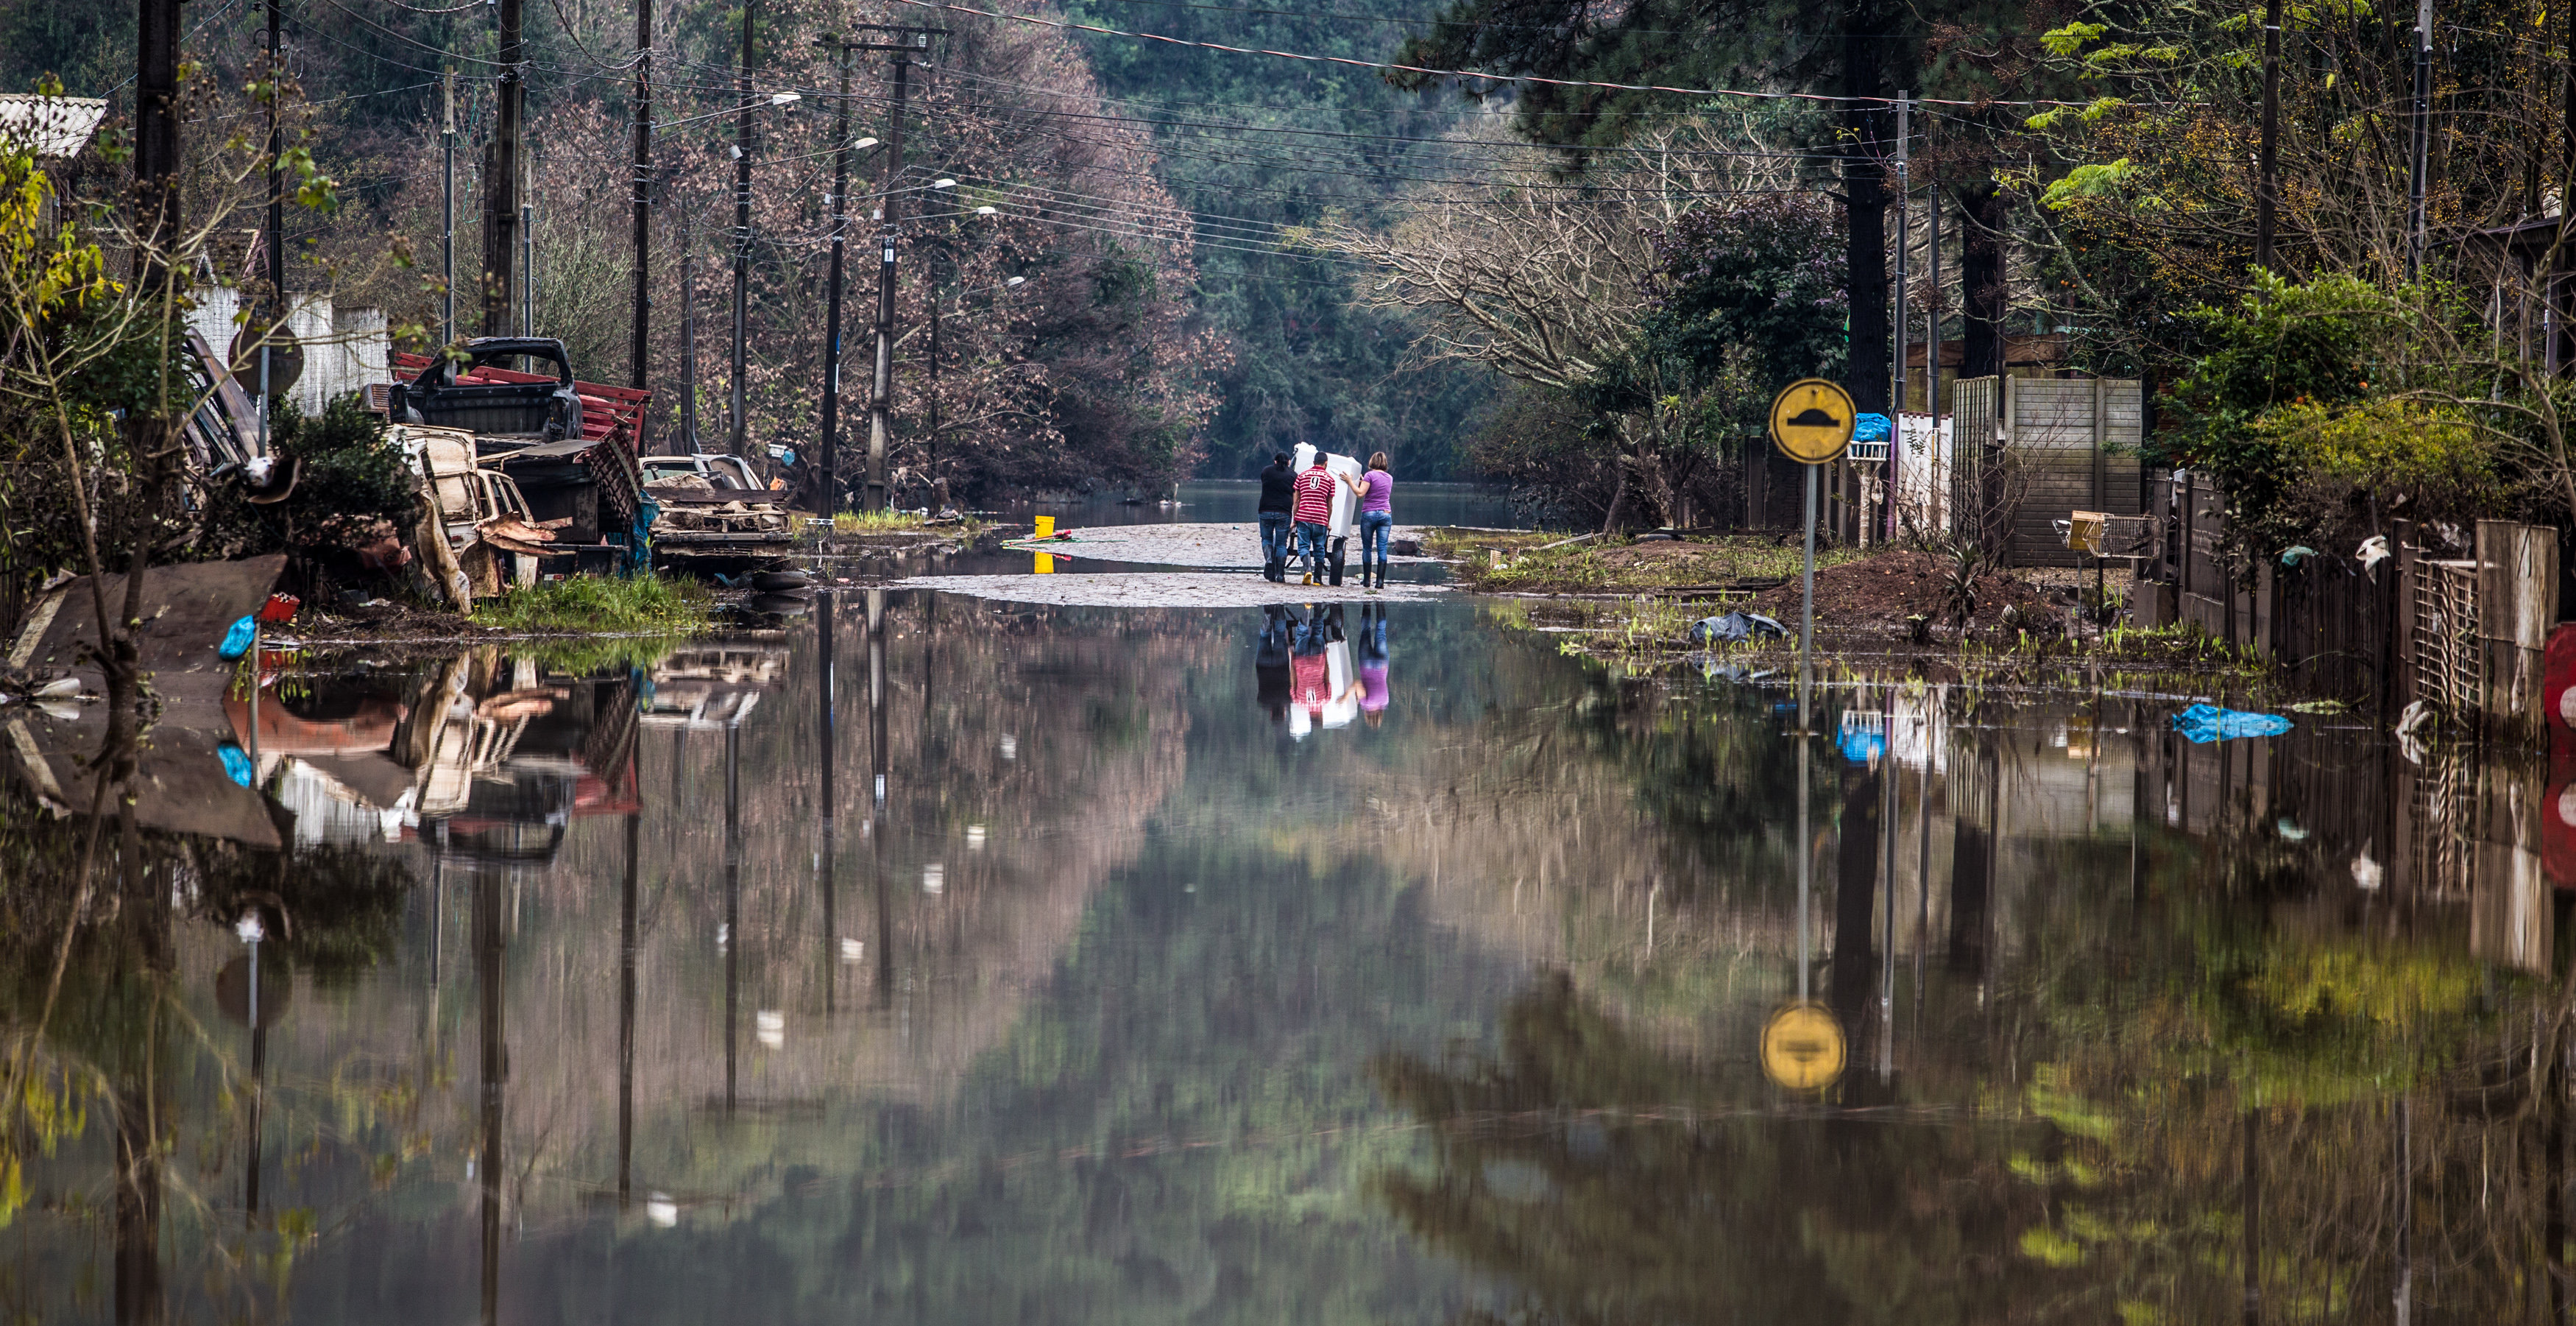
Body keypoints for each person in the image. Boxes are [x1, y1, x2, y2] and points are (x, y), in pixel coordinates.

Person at [1341, 452, 1395, 589]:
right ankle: (1380, 582)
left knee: (1367, 548)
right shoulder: (1389, 477)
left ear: (1372, 462)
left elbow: (1360, 494)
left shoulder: (1370, 475)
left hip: (1370, 514)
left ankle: (1366, 581)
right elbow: (1378, 489)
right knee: (1382, 548)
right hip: (1385, 514)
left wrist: (1349, 482)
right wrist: (1364, 481)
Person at [1289, 451, 1337, 585]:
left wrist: (1295, 519)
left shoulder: (1302, 476)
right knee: (1319, 548)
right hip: (1320, 517)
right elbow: (1330, 504)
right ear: (1326, 463)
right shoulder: (1330, 479)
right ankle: (1317, 579)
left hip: (1303, 516)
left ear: (1313, 462)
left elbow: (1296, 501)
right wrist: (1327, 522)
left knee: (1303, 546)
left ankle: (1307, 571)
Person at [1256, 451, 1295, 583]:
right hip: (1284, 512)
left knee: (1266, 538)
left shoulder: (1266, 471)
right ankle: (1280, 575)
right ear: (1289, 462)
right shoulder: (1293, 475)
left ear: (1275, 461)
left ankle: (1269, 560)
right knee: (1281, 544)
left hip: (1265, 509)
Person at [1356, 601, 1390, 727]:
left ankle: (1380, 602)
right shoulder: (1366, 704)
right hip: (1366, 664)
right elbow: (1358, 684)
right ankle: (1366, 603)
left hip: (1382, 665)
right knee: (1365, 631)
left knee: (1381, 631)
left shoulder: (1385, 702)